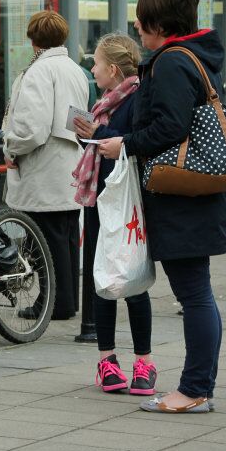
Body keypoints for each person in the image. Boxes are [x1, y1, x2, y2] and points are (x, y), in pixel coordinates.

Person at [99, 0, 226, 414]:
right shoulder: (194, 56)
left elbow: (171, 127)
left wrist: (126, 143)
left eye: (142, 19)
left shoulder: (172, 63)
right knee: (197, 292)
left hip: (180, 195)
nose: (136, 27)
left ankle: (194, 389)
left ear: (158, 23)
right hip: (191, 193)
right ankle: (198, 387)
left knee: (193, 294)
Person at [71, 33, 156, 395]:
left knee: (133, 278)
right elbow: (104, 142)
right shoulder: (106, 100)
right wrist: (88, 135)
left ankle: (144, 361)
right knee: (102, 277)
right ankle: (107, 360)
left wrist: (101, 132)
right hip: (101, 199)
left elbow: (135, 138)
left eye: (97, 63)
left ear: (114, 69)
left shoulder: (137, 98)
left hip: (126, 202)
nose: (93, 68)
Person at [2, 10, 88, 321]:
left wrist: (12, 147)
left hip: (43, 166)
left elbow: (31, 128)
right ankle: (67, 300)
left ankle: (51, 302)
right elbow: (80, 119)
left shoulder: (38, 72)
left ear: (33, 39)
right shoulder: (75, 70)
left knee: (43, 241)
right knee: (65, 239)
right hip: (69, 163)